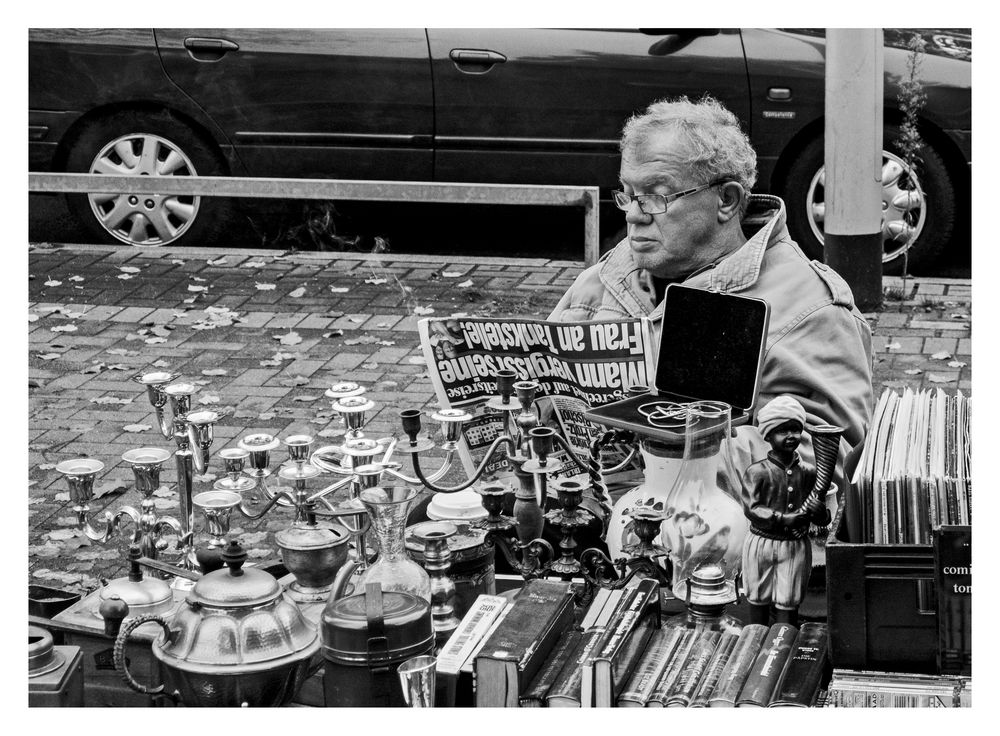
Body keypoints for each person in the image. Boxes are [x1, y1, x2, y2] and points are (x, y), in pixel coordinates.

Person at [549, 95, 874, 499]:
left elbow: (834, 467)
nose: (633, 214)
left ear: (727, 200)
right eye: (629, 194)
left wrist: (666, 454)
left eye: (657, 196)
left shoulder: (811, 308)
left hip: (719, 549)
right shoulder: (605, 278)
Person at [740, 395, 831, 627]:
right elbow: (752, 509)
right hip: (761, 542)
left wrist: (819, 511)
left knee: (789, 599)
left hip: (794, 544)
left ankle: (784, 640)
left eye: (795, 430)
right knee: (757, 595)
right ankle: (755, 637)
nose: (791, 436)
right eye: (783, 431)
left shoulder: (810, 473)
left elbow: (823, 517)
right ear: (768, 435)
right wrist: (783, 518)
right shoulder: (757, 472)